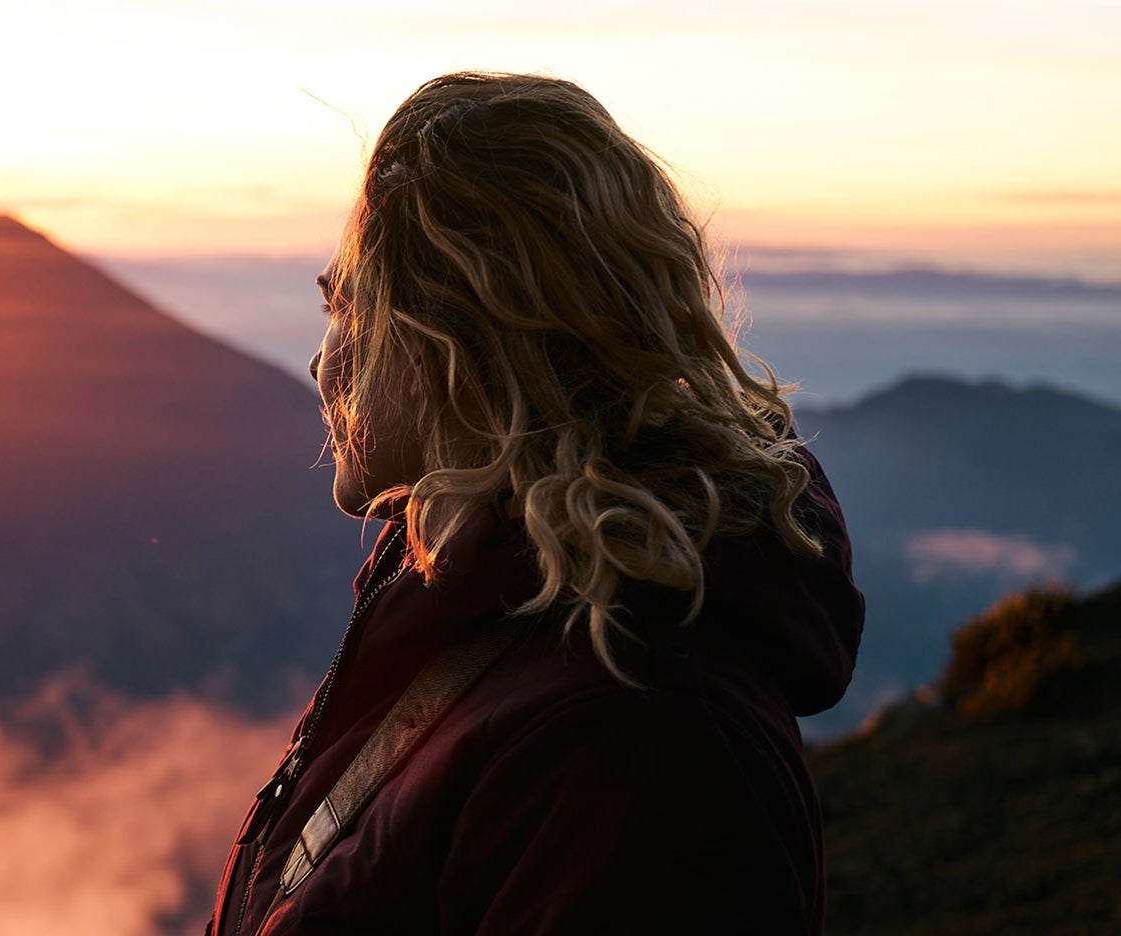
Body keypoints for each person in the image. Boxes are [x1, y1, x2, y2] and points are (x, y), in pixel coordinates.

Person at [205, 72, 866, 935]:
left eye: (346, 305)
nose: (320, 360)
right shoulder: (489, 635)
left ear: (444, 335)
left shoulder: (634, 736)